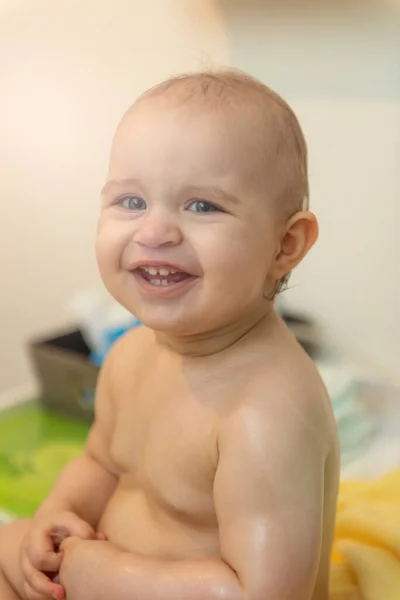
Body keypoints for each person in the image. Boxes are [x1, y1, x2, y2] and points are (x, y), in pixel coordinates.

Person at [0, 70, 339, 600]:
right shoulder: (130, 354)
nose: (154, 232)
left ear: (286, 245)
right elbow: (102, 462)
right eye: (131, 202)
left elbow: (262, 593)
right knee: (9, 543)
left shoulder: (264, 413)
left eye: (202, 206)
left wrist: (103, 575)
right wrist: (59, 514)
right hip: (109, 571)